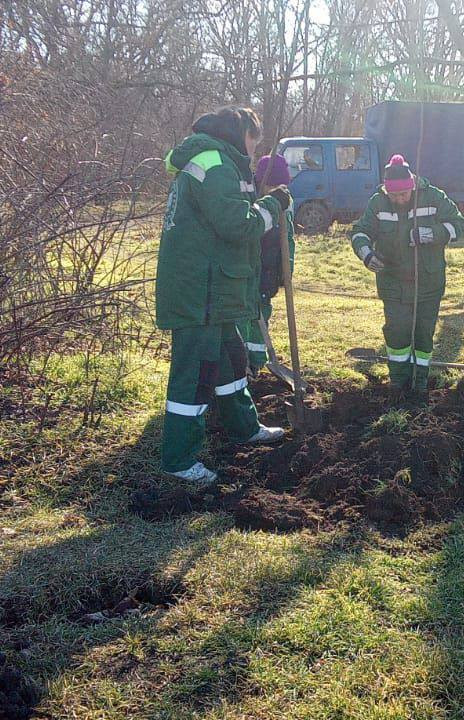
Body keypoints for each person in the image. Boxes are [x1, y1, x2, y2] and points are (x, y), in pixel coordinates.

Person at [156, 106, 291, 486]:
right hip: (201, 293)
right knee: (194, 378)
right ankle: (179, 461)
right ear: (240, 131)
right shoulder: (214, 163)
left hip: (214, 289)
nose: (253, 150)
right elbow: (236, 224)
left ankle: (244, 428)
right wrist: (272, 205)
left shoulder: (218, 160)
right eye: (253, 141)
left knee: (232, 363)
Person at [350, 154, 464, 402]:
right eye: (394, 196)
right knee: (398, 331)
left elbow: (459, 224)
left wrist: (431, 234)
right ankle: (398, 382)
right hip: (392, 282)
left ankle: (421, 382)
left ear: (412, 186)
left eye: (403, 195)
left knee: (424, 332)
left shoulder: (433, 197)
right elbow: (360, 231)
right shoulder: (378, 202)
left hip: (428, 282)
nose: (399, 200)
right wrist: (367, 255)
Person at [243, 154, 296, 373]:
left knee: (262, 317)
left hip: (269, 274)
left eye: (281, 185)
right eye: (272, 185)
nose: (276, 189)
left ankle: (255, 365)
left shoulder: (286, 200)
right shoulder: (251, 202)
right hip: (249, 274)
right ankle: (242, 366)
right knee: (245, 320)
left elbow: (289, 240)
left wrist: (287, 270)